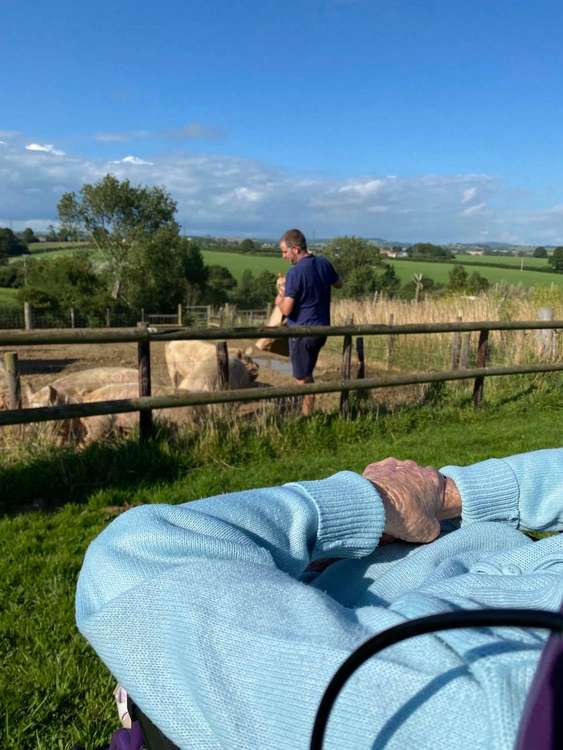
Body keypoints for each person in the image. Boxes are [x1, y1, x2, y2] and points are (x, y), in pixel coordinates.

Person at [76, 448, 563, 750]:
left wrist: (379, 500)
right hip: (396, 558)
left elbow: (137, 561)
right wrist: (447, 493)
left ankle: (149, 698)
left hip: (288, 616)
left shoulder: (490, 716)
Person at [275, 228, 342, 415]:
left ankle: (306, 418)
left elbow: (287, 310)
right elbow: (339, 283)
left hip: (302, 333)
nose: (283, 256)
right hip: (322, 330)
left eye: (284, 252)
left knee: (302, 380)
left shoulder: (295, 272)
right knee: (307, 373)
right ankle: (308, 415)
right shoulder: (324, 263)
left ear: (295, 249)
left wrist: (279, 298)